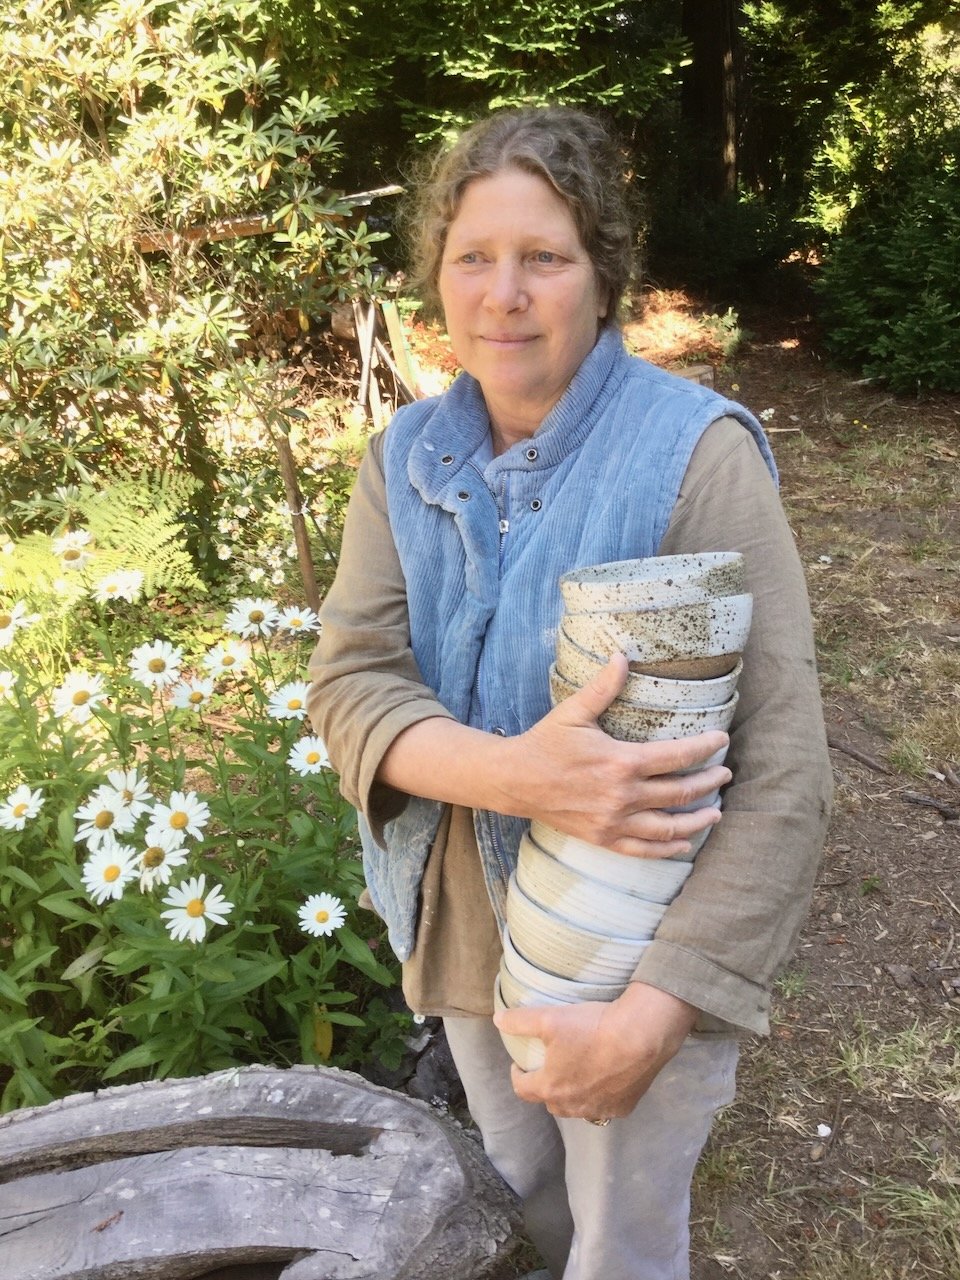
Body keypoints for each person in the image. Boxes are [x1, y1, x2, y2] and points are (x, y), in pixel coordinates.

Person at [307, 106, 832, 1280]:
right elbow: (349, 677)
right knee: (528, 1205)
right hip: (463, 940)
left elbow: (789, 770)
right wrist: (509, 773)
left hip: (632, 955)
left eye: (545, 256)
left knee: (622, 1245)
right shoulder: (406, 460)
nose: (506, 293)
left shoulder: (697, 455)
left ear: (604, 274)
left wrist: (656, 1012)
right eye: (472, 259)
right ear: (435, 278)